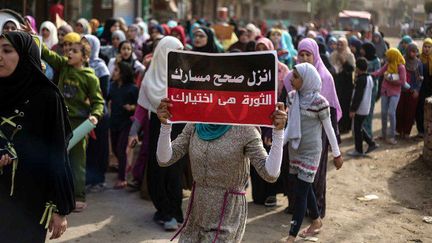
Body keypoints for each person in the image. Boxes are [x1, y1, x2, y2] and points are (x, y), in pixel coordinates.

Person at [156, 101, 286, 241]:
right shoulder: (195, 125)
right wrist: (165, 125)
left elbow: (270, 174)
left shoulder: (245, 129)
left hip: (227, 214)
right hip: (197, 212)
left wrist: (278, 133)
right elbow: (164, 159)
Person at [0, 31, 74, 243]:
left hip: (30, 199)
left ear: (24, 55)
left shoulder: (47, 98)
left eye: (7, 50)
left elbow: (58, 154)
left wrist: (61, 208)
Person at [41, 32, 105, 211]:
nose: (69, 53)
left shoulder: (90, 77)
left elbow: (98, 101)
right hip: (59, 120)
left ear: (84, 57)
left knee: (77, 161)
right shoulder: (63, 66)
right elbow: (47, 54)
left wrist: (95, 115)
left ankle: (78, 196)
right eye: (68, 49)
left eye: (75, 51)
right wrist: (33, 37)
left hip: (78, 125)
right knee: (55, 157)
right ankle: (52, 194)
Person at [129, 36, 185, 231]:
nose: (179, 55)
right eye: (174, 51)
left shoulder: (184, 76)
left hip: (179, 128)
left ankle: (175, 212)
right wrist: (133, 132)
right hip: (157, 128)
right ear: (162, 53)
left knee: (174, 171)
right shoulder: (150, 77)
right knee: (157, 171)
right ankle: (164, 210)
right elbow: (142, 108)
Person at [284, 63, 343, 243]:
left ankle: (291, 236)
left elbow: (329, 129)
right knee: (305, 186)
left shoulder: (320, 103)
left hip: (311, 152)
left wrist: (337, 153)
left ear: (307, 80)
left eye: (295, 76)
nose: (291, 79)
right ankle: (316, 221)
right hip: (295, 149)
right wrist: (279, 144)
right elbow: (289, 125)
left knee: (301, 192)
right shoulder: (292, 97)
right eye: (292, 75)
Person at [251, 37, 289, 207]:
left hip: (274, 121)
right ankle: (258, 194)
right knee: (255, 155)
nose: (261, 52)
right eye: (257, 49)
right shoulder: (249, 68)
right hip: (254, 121)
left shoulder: (282, 70)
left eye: (264, 48)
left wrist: (272, 126)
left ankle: (271, 193)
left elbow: (286, 99)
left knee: (272, 155)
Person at [82, 35, 111, 193]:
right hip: (84, 112)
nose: (83, 46)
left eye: (86, 44)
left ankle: (99, 179)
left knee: (99, 146)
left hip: (99, 113)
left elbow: (104, 93)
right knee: (88, 148)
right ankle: (88, 178)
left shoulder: (101, 67)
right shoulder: (81, 64)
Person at [108, 61, 138, 189]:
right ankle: (124, 167)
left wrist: (131, 107)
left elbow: (139, 107)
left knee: (121, 149)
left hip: (126, 123)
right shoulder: (113, 86)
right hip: (114, 122)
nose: (113, 72)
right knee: (115, 149)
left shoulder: (133, 88)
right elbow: (107, 99)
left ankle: (122, 178)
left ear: (123, 73)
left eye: (116, 70)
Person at [372, 48, 406, 145]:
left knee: (391, 113)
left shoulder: (401, 67)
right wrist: (369, 74)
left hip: (395, 92)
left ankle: (391, 136)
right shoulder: (388, 64)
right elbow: (379, 72)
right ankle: (383, 134)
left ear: (393, 56)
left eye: (388, 55)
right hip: (385, 91)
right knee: (383, 113)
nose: (387, 57)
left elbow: (402, 82)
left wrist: (391, 79)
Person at [348, 58, 378, 156]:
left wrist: (353, 109)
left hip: (360, 108)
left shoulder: (361, 79)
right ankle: (371, 143)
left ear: (358, 68)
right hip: (366, 107)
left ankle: (359, 150)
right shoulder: (369, 77)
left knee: (357, 130)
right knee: (359, 127)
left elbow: (358, 96)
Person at [396, 43, 423, 139]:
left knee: (410, 112)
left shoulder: (418, 63)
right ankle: (399, 131)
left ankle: (407, 132)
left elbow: (421, 78)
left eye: (415, 52)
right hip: (402, 90)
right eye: (411, 51)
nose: (413, 53)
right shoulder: (402, 61)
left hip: (413, 92)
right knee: (400, 111)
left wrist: (417, 90)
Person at [330, 37, 356, 134]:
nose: (339, 47)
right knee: (337, 104)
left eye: (342, 44)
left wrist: (344, 62)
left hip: (347, 85)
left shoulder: (350, 55)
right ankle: (338, 125)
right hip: (337, 84)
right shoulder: (333, 55)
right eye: (338, 44)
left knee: (345, 105)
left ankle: (345, 126)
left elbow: (351, 70)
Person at [360, 42, 381, 137]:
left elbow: (377, 75)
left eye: (363, 49)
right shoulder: (362, 59)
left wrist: (366, 76)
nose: (361, 51)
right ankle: (361, 131)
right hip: (362, 87)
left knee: (369, 110)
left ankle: (368, 133)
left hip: (371, 88)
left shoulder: (376, 61)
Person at [417, 38, 432, 137]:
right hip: (421, 89)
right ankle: (421, 130)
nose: (426, 49)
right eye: (425, 47)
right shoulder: (419, 59)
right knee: (420, 109)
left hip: (431, 89)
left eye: (429, 47)